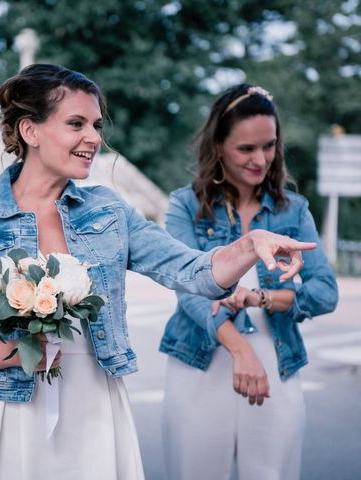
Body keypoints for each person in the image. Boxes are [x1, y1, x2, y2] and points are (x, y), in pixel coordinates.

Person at [0, 64, 317, 480]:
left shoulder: (109, 212)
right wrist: (19, 352)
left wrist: (251, 244)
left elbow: (191, 270)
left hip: (94, 407)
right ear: (30, 131)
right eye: (76, 123)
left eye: (95, 124)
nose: (93, 137)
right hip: (5, 414)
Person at [159, 84, 338, 480]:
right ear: (219, 145)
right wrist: (241, 349)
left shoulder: (294, 211)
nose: (261, 159)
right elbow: (188, 286)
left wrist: (259, 297)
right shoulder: (185, 206)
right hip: (200, 360)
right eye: (246, 149)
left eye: (269, 146)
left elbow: (325, 293)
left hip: (278, 360)